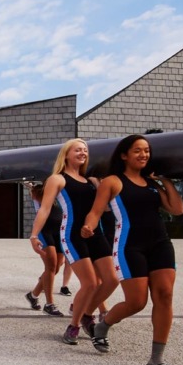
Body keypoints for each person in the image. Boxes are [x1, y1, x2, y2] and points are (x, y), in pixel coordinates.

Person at [82, 133, 183, 365]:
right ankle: (101, 326)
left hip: (160, 243)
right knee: (137, 302)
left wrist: (164, 181)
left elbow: (177, 209)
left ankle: (156, 359)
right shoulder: (113, 181)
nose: (144, 154)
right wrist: (89, 226)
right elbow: (95, 211)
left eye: (147, 151)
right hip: (130, 245)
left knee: (165, 295)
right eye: (138, 150)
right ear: (124, 154)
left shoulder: (153, 184)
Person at [29, 138, 117, 345]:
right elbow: (45, 208)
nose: (82, 153)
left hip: (96, 233)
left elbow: (105, 208)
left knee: (111, 280)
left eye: (85, 150)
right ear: (66, 154)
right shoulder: (58, 179)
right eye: (78, 149)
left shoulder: (92, 181)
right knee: (90, 283)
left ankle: (87, 314)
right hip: (72, 235)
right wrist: (34, 236)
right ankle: (74, 325)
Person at [25, 183, 65, 316]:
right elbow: (35, 191)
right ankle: (49, 304)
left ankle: (33, 295)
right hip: (45, 231)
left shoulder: (60, 190)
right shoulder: (38, 193)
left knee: (56, 267)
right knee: (51, 267)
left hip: (60, 231)